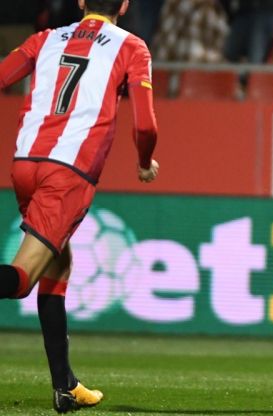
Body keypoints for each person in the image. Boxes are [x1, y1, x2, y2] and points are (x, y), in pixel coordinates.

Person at [0, 0, 159, 413]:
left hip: (24, 165)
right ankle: (64, 386)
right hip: (67, 173)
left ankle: (65, 386)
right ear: (124, 5)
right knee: (20, 280)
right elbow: (145, 125)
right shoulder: (131, 47)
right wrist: (144, 163)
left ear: (82, 2)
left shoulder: (47, 38)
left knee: (58, 265)